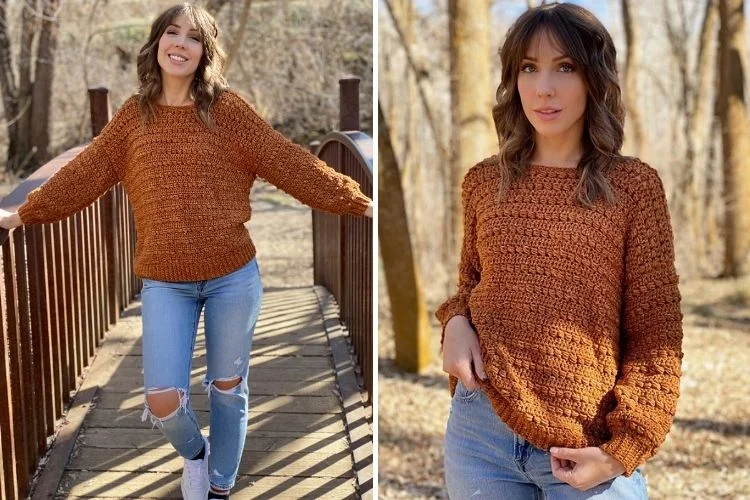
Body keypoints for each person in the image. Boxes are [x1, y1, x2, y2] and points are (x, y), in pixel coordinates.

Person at [0, 3, 372, 499]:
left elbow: (290, 163)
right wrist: (22, 214)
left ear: (205, 51)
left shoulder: (230, 112)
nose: (180, 43)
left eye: (193, 37)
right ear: (156, 44)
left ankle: (219, 485)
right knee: (161, 400)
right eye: (171, 33)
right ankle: (196, 455)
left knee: (227, 390)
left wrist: (359, 202)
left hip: (232, 278)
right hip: (164, 281)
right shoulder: (134, 117)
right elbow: (84, 174)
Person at [436, 3, 682, 499]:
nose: (543, 87)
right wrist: (455, 322)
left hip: (588, 441)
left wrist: (621, 450)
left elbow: (656, 333)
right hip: (480, 430)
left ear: (594, 79)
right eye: (529, 68)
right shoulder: (484, 182)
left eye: (564, 67)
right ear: (514, 79)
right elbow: (472, 284)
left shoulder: (632, 187)